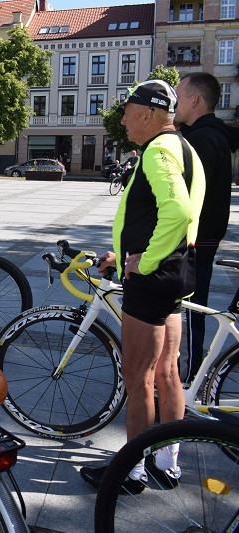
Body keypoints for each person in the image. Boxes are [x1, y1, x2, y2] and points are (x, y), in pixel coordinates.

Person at [79, 80, 205, 493]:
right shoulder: (186, 149)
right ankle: (167, 464)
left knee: (138, 377)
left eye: (128, 112)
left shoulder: (157, 151)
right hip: (177, 271)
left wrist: (145, 261)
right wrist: (124, 255)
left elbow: (178, 212)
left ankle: (129, 472)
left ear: (149, 114)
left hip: (152, 279)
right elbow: (169, 218)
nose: (122, 119)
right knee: (168, 373)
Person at [174, 72, 239, 384]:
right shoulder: (208, 134)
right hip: (204, 236)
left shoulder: (202, 139)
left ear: (195, 100)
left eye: (179, 96)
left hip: (195, 239)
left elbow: (187, 196)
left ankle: (187, 381)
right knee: (192, 306)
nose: (175, 103)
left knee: (188, 308)